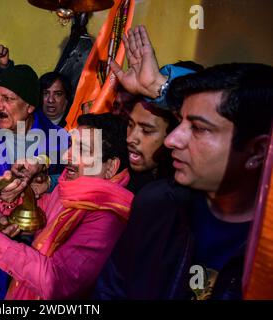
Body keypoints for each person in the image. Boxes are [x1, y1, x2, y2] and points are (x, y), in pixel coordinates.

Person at [93, 28, 273, 298]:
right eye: (180, 122)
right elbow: (112, 290)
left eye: (199, 128)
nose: (172, 140)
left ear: (258, 151)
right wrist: (159, 87)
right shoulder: (156, 204)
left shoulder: (264, 249)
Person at [0, 113, 134, 300]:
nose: (66, 155)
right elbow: (37, 213)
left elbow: (57, 282)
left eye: (83, 150)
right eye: (71, 145)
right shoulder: (71, 188)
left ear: (110, 167)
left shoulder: (108, 219)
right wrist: (11, 195)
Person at [0, 64, 67, 300]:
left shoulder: (58, 139)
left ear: (30, 105)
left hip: (42, 250)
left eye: (8, 99)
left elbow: (74, 181)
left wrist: (47, 179)